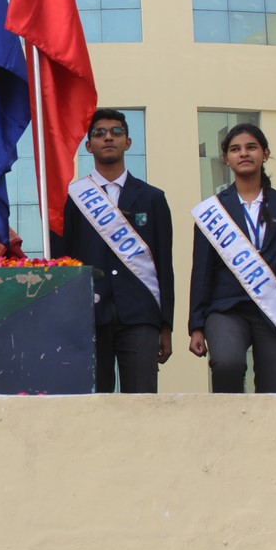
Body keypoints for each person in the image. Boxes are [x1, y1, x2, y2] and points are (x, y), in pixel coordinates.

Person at [188, 123, 276, 393]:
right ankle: (230, 429)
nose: (243, 153)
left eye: (251, 147)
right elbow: (201, 273)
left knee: (275, 389)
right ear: (226, 159)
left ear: (265, 154)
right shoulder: (213, 211)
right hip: (226, 308)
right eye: (235, 149)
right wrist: (196, 326)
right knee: (226, 364)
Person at [60, 109, 174, 393]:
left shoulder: (153, 198)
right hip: (88, 316)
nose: (108, 137)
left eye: (116, 131)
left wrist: (166, 325)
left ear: (128, 142)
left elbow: (163, 263)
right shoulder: (73, 198)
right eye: (99, 133)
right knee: (93, 405)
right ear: (88, 146)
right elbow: (65, 259)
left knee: (142, 402)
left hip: (141, 315)